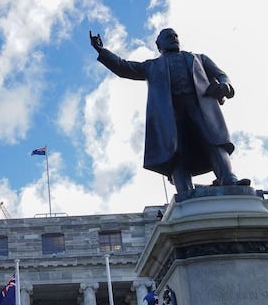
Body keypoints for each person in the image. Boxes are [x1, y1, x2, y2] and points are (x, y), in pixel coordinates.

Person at [90, 28, 249, 193]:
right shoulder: (152, 66)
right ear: (159, 44)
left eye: (175, 36)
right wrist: (102, 51)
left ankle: (229, 179)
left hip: (200, 106)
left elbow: (221, 75)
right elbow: (124, 67)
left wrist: (225, 86)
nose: (173, 38)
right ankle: (185, 190)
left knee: (214, 142)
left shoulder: (198, 58)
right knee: (175, 149)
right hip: (170, 112)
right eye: (168, 36)